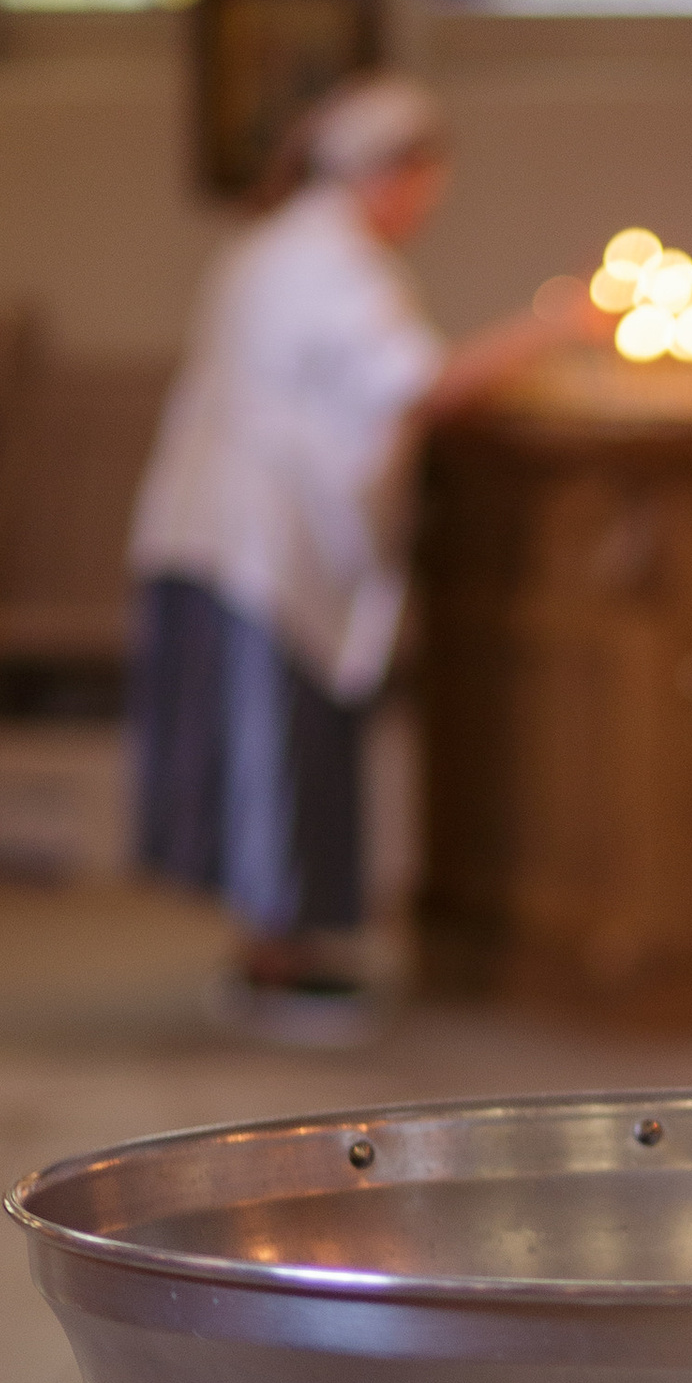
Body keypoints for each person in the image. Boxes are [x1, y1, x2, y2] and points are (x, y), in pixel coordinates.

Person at [129, 72, 571, 1025]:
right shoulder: (325, 262)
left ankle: (283, 950)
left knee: (284, 741)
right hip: (261, 539)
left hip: (246, 531)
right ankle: (276, 964)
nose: (428, 206)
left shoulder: (284, 245)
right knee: (271, 747)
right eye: (427, 182)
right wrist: (557, 329)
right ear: (391, 175)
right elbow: (420, 386)